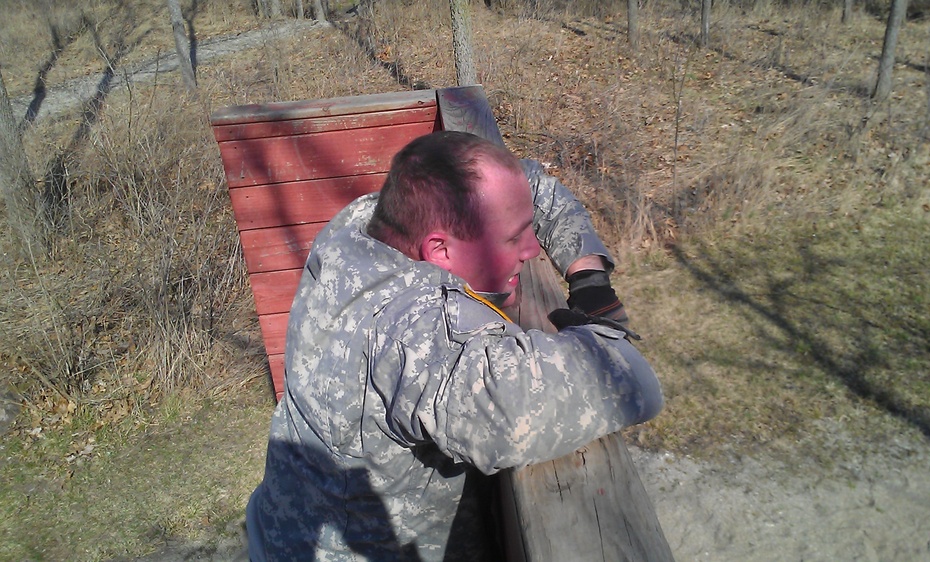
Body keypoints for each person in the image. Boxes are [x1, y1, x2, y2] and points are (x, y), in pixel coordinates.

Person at [245, 131, 663, 561]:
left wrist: (588, 278)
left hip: (282, 522)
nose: (532, 248)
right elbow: (628, 382)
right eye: (514, 238)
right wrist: (602, 335)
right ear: (440, 250)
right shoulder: (422, 339)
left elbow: (528, 185)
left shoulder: (366, 222)